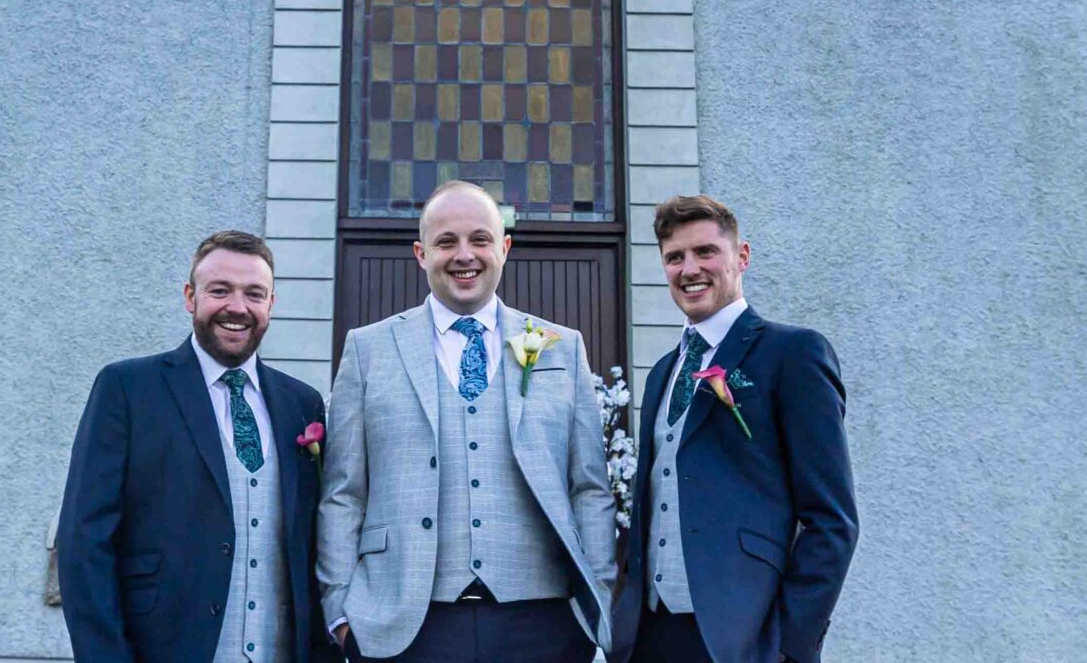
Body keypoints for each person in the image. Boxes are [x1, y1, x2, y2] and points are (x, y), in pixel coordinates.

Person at [316, 180, 615, 662]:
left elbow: (590, 488)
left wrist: (597, 600)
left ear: (505, 248)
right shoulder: (367, 350)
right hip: (406, 623)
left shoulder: (563, 346)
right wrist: (341, 611)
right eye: (445, 242)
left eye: (479, 239)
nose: (464, 255)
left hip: (544, 621)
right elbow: (343, 493)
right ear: (420, 253)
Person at [56, 230, 335, 663]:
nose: (237, 307)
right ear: (191, 297)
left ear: (271, 305)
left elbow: (314, 546)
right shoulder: (128, 389)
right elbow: (84, 542)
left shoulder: (302, 404)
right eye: (219, 290)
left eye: (254, 294)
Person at [611, 195, 858, 663]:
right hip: (649, 635)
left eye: (706, 252)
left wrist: (789, 644)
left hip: (741, 638)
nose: (690, 269)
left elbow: (832, 520)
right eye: (675, 257)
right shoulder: (664, 371)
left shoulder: (793, 353)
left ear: (741, 256)